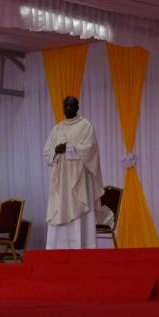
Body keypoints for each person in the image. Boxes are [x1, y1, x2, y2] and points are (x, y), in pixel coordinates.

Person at [43, 96, 102, 250]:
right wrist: (56, 150)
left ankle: (82, 245)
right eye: (66, 106)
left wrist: (69, 149)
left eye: (71, 105)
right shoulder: (57, 129)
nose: (68, 108)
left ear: (77, 107)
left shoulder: (85, 125)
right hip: (61, 178)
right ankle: (58, 247)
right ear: (63, 108)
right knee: (59, 205)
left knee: (79, 206)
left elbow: (90, 148)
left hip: (79, 177)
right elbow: (47, 152)